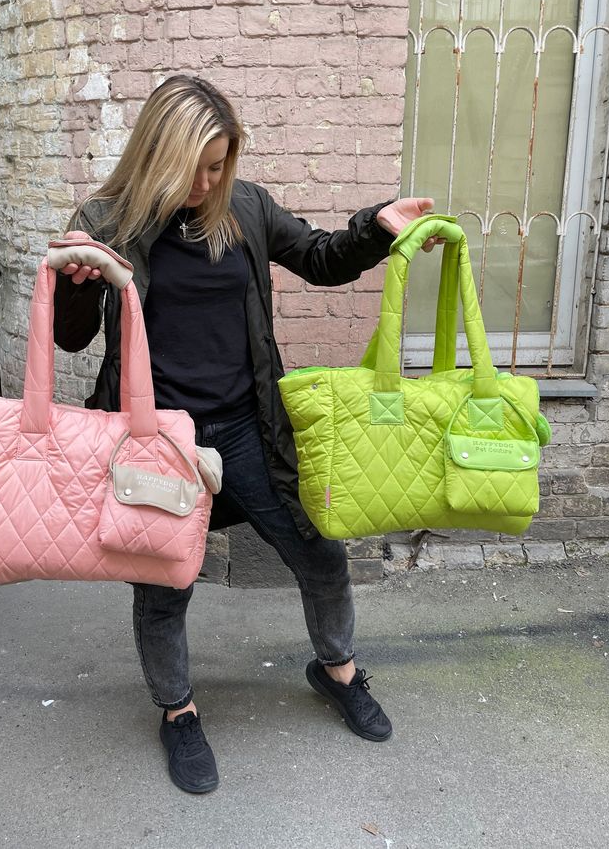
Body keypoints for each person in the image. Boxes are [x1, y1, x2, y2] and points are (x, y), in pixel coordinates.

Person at [53, 75, 440, 794]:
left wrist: (375, 226)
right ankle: (178, 712)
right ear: (157, 152)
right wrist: (76, 282)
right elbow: (71, 340)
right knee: (165, 586)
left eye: (219, 164)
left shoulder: (247, 208)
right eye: (196, 165)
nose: (207, 181)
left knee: (319, 553)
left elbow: (320, 256)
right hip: (158, 444)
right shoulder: (107, 220)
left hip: (247, 430)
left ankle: (336, 669)